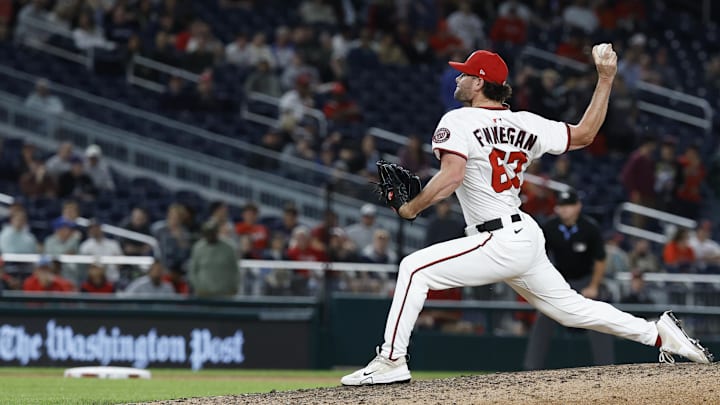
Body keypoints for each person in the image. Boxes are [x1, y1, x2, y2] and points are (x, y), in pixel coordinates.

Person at [341, 46, 712, 386]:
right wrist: (605, 79)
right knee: (572, 310)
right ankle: (659, 334)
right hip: (523, 235)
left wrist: (411, 207)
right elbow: (584, 135)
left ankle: (392, 360)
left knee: (413, 269)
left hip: (499, 238)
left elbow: (452, 176)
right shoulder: (526, 123)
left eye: (464, 73)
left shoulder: (459, 120)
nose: (457, 78)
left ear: (479, 82)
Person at [523, 189, 614, 370]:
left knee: (598, 318)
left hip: (585, 281)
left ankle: (606, 368)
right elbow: (540, 256)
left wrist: (594, 286)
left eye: (568, 206)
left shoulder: (590, 228)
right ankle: (531, 369)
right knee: (543, 316)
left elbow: (600, 260)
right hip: (560, 281)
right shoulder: (550, 227)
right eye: (561, 206)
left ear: (578, 207)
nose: (564, 210)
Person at [188, 220, 239, 297]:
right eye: (208, 233)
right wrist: (198, 288)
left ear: (217, 232)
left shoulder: (229, 247)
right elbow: (193, 271)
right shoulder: (198, 247)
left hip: (224, 293)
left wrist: (234, 288)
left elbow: (235, 270)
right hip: (203, 293)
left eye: (212, 233)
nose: (210, 236)